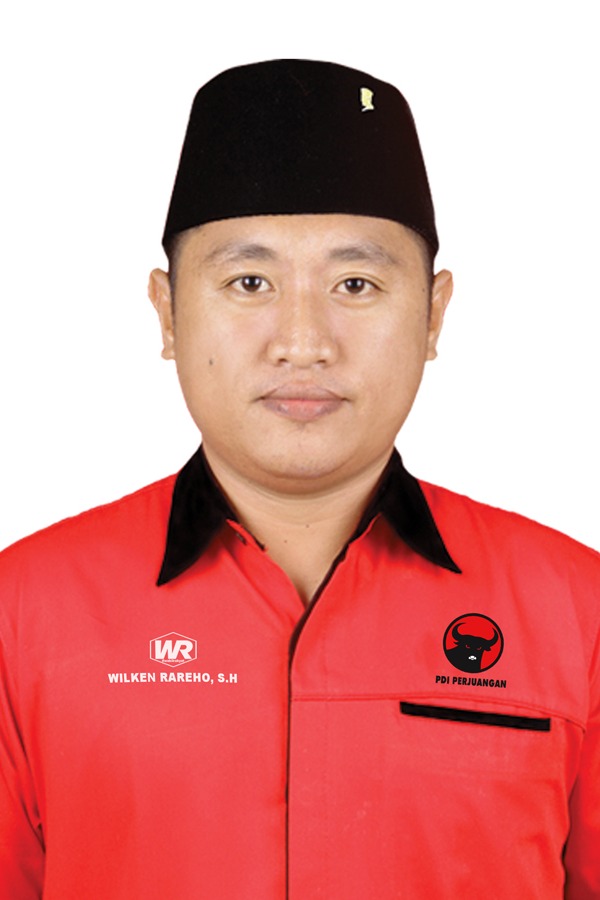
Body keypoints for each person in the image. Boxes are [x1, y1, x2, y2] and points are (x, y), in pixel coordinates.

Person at [0, 59, 598, 900]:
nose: (304, 342)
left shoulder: (577, 610)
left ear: (433, 314)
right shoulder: (24, 611)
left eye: (356, 284)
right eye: (250, 283)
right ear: (168, 313)